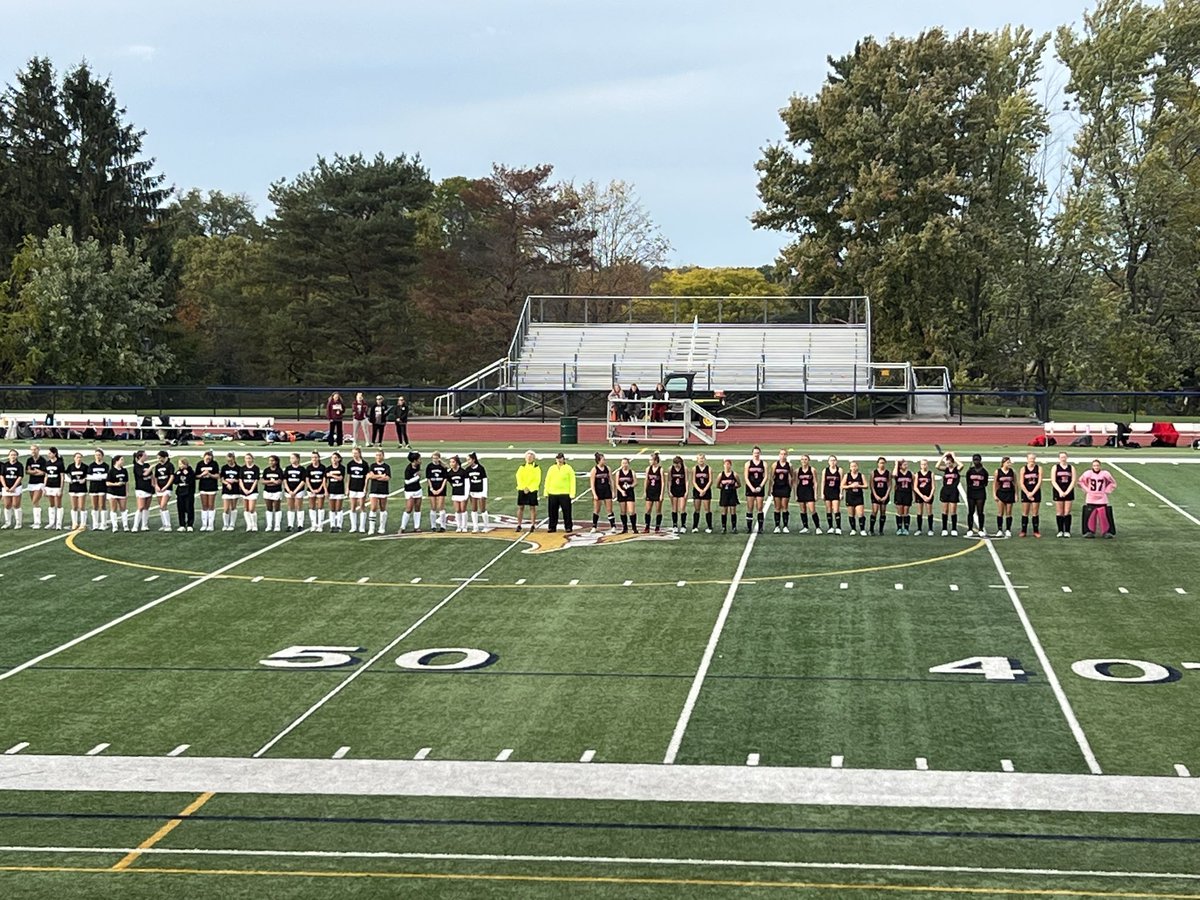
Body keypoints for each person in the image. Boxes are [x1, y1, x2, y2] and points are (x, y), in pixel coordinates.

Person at [1078, 459, 1117, 538]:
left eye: (1097, 465)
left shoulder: (1105, 474)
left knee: (1103, 515)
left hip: (1102, 498)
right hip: (1091, 497)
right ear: (1092, 466)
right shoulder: (1088, 473)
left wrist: (1106, 491)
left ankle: (1106, 532)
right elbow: (1080, 482)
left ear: (1100, 466)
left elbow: (1113, 483)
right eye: (1094, 465)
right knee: (1090, 515)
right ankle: (1089, 531)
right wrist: (1087, 490)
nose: (1096, 467)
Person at [545, 451, 576, 533]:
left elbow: (572, 481)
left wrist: (572, 493)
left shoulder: (568, 468)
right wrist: (546, 492)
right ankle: (552, 527)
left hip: (564, 493)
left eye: (560, 458)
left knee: (567, 512)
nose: (559, 460)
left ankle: (568, 527)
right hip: (553, 493)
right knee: (552, 512)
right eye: (558, 458)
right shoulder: (552, 468)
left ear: (563, 459)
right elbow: (547, 480)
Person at [1052, 451, 1077, 538]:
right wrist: (1060, 491)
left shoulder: (1071, 467)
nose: (1063, 459)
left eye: (1064, 457)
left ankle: (1067, 531)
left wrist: (1067, 491)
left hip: (1068, 491)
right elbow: (1053, 481)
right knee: (1059, 512)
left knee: (1067, 512)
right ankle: (1060, 531)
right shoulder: (1055, 467)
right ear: (1059, 458)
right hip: (1058, 491)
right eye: (1061, 457)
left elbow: (1073, 480)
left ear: (1067, 458)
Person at [936, 452, 962, 536]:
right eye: (946, 463)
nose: (948, 464)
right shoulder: (945, 469)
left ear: (952, 462)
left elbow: (961, 465)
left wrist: (954, 456)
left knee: (953, 511)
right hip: (945, 490)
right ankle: (944, 529)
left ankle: (954, 529)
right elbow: (937, 466)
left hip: (953, 491)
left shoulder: (956, 469)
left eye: (949, 463)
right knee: (945, 511)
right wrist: (943, 456)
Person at [964, 453, 989, 538]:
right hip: (971, 493)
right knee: (971, 511)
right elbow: (968, 482)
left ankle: (981, 529)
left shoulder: (984, 472)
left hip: (980, 493)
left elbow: (985, 483)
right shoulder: (970, 471)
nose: (976, 462)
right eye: (974, 460)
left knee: (980, 511)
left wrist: (978, 486)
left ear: (980, 460)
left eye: (977, 460)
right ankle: (970, 529)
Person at [515, 451, 541, 531]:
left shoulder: (536, 468)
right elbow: (519, 478)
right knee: (521, 507)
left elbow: (537, 479)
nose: (529, 458)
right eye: (528, 457)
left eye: (531, 457)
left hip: (532, 490)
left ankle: (533, 525)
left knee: (532, 507)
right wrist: (524, 487)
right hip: (522, 489)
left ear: (534, 458)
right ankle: (519, 525)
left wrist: (529, 488)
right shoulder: (522, 467)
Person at [1019, 453, 1043, 538]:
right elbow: (1021, 482)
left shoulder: (1039, 468)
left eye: (1033, 458)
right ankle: (1023, 530)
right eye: (1030, 458)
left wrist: (1032, 493)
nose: (1032, 460)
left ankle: (1036, 531)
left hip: (1035, 492)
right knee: (1025, 512)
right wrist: (1027, 493)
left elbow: (1039, 482)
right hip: (1026, 492)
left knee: (1035, 512)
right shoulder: (1023, 469)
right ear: (1027, 459)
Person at [589, 452, 615, 532]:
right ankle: (594, 526)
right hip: (598, 491)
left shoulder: (608, 468)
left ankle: (613, 526)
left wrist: (613, 491)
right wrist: (594, 494)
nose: (605, 461)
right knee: (597, 509)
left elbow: (611, 480)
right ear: (599, 460)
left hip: (607, 490)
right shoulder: (594, 470)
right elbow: (592, 483)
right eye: (603, 459)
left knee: (609, 509)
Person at [367, 449, 391, 534]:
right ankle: (371, 528)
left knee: (383, 508)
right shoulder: (372, 466)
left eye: (380, 455)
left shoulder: (386, 466)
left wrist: (376, 476)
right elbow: (370, 476)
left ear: (383, 456)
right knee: (373, 508)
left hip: (383, 489)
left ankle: (382, 527)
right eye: (377, 455)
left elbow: (387, 478)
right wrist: (381, 476)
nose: (378, 457)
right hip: (374, 489)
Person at [346, 447, 369, 534]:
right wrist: (347, 488)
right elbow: (349, 477)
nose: (354, 455)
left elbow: (366, 477)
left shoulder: (364, 464)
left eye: (356, 453)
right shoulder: (350, 464)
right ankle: (353, 526)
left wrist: (365, 488)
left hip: (361, 488)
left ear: (359, 454)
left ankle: (362, 527)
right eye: (353, 453)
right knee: (352, 507)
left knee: (362, 506)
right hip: (352, 488)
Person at [744, 446, 766, 533]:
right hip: (750, 488)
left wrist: (760, 486)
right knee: (750, 507)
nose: (756, 454)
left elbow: (765, 477)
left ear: (760, 453)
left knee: (760, 507)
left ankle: (760, 528)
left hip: (759, 487)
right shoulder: (748, 464)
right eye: (755, 453)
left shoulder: (764, 464)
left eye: (757, 453)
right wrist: (752, 488)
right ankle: (749, 528)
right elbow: (746, 477)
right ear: (752, 453)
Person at [196, 450, 220, 532]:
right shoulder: (200, 464)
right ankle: (204, 524)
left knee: (210, 505)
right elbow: (196, 476)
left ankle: (210, 524)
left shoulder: (214, 464)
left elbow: (217, 476)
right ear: (204, 457)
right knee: (204, 505)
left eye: (209, 459)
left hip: (212, 487)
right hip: (203, 487)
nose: (208, 460)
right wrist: (202, 475)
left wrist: (210, 474)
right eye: (207, 458)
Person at [426, 451, 449, 532]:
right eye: (433, 458)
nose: (435, 459)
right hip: (432, 488)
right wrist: (432, 489)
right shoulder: (429, 466)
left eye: (436, 458)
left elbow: (445, 479)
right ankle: (433, 526)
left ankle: (443, 526)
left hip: (441, 488)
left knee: (440, 507)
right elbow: (428, 479)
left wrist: (441, 489)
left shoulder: (442, 467)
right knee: (433, 507)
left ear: (439, 458)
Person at [465, 451, 489, 532]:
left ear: (473, 460)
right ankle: (475, 527)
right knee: (474, 509)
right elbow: (467, 482)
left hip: (481, 491)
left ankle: (486, 526)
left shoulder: (480, 468)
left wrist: (484, 493)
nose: (468, 461)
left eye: (469, 460)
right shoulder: (467, 470)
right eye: (467, 460)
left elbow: (484, 480)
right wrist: (467, 493)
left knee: (482, 509)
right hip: (472, 492)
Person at [283, 452, 307, 533]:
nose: (291, 460)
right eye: (290, 458)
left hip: (298, 490)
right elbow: (285, 480)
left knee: (299, 507)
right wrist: (289, 490)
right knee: (290, 507)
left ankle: (300, 525)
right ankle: (290, 525)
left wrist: (295, 491)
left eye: (293, 458)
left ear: (298, 459)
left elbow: (303, 481)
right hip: (289, 491)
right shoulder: (288, 468)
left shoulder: (302, 469)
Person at [152, 450, 175, 532]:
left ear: (164, 457)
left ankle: (168, 525)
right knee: (161, 507)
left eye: (160, 458)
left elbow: (171, 477)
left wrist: (166, 486)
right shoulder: (158, 466)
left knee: (163, 505)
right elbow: (155, 477)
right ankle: (164, 524)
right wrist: (156, 486)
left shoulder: (170, 465)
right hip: (159, 488)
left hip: (166, 489)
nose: (159, 459)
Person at [87, 448, 110, 530]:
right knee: (94, 506)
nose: (97, 456)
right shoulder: (91, 465)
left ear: (102, 456)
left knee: (102, 505)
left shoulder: (106, 466)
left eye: (99, 455)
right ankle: (95, 524)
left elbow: (107, 476)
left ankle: (103, 524)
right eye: (96, 455)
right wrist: (100, 477)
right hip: (93, 488)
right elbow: (88, 476)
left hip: (102, 487)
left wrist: (96, 477)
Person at [993, 456, 1016, 538]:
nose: (1009, 464)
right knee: (1000, 512)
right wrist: (994, 494)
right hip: (1001, 493)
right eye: (1008, 462)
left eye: (1010, 462)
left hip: (1010, 493)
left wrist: (1016, 494)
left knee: (1009, 512)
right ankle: (999, 530)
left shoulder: (1012, 472)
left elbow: (1015, 483)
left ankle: (1008, 529)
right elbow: (995, 484)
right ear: (1003, 463)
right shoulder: (998, 472)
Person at [794, 454, 817, 534]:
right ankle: (805, 527)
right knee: (803, 510)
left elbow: (815, 482)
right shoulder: (797, 471)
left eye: (806, 459)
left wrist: (815, 494)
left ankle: (817, 527)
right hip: (801, 491)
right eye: (802, 459)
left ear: (808, 460)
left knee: (812, 510)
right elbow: (795, 483)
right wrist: (795, 494)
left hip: (809, 491)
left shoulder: (812, 470)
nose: (804, 461)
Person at [770, 449, 792, 533]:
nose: (783, 456)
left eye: (784, 454)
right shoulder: (775, 464)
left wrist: (790, 487)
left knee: (785, 506)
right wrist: (770, 489)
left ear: (787, 455)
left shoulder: (789, 465)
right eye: (781, 454)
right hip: (777, 488)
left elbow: (792, 476)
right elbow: (772, 477)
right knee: (777, 507)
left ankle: (785, 526)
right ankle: (777, 526)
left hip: (785, 488)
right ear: (779, 455)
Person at [842, 459, 866, 535]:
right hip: (850, 496)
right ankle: (853, 529)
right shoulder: (847, 476)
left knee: (860, 513)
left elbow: (866, 485)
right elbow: (842, 485)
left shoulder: (861, 475)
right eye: (852, 466)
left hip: (858, 497)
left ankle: (862, 529)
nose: (854, 468)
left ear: (857, 467)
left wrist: (859, 486)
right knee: (851, 514)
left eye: (855, 466)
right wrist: (850, 486)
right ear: (850, 467)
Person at [305, 450, 328, 532]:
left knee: (320, 507)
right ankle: (313, 524)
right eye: (312, 457)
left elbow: (324, 480)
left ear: (318, 458)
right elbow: (307, 480)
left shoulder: (323, 467)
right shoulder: (309, 468)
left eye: (315, 457)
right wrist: (311, 489)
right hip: (311, 489)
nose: (314, 459)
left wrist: (320, 488)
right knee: (312, 507)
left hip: (320, 489)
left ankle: (320, 525)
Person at [42, 447, 64, 530]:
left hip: (56, 486)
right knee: (51, 504)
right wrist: (44, 487)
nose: (48, 454)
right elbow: (46, 476)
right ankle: (51, 522)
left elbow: (62, 477)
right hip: (49, 486)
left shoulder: (60, 463)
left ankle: (58, 523)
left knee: (58, 504)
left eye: (50, 453)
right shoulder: (47, 463)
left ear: (54, 453)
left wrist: (61, 489)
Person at [400, 450, 422, 533]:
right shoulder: (408, 469)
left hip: (418, 489)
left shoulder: (418, 466)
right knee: (409, 509)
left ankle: (417, 527)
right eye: (419, 459)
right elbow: (407, 481)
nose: (420, 460)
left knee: (417, 508)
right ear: (415, 460)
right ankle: (402, 527)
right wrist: (417, 477)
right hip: (409, 491)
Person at [133, 449, 155, 532]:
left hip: (149, 488)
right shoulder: (136, 466)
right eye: (145, 455)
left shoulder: (146, 465)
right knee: (141, 507)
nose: (146, 456)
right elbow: (144, 474)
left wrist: (154, 485)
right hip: (141, 489)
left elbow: (151, 476)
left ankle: (144, 525)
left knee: (146, 507)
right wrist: (151, 468)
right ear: (140, 457)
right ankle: (135, 526)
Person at [1, 449, 23, 529]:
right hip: (6, 487)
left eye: (14, 455)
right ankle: (8, 522)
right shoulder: (5, 465)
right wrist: (5, 486)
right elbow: (1, 476)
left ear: (17, 456)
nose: (13, 456)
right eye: (11, 455)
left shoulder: (19, 465)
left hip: (16, 487)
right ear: (8, 456)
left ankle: (18, 523)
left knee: (16, 504)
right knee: (7, 505)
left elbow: (20, 476)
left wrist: (14, 487)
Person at [869, 457, 891, 536]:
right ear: (878, 464)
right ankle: (871, 529)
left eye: (883, 463)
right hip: (876, 494)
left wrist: (886, 496)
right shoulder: (874, 473)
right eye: (880, 463)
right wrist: (875, 495)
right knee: (874, 511)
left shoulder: (887, 473)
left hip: (884, 494)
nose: (882, 464)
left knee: (883, 512)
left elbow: (889, 485)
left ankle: (881, 530)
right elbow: (872, 485)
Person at [691, 452, 713, 533]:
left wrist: (704, 490)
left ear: (705, 459)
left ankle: (709, 526)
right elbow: (693, 481)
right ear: (697, 460)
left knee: (707, 509)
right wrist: (700, 490)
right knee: (697, 509)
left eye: (702, 458)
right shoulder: (694, 469)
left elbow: (710, 481)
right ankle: (695, 526)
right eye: (700, 459)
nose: (701, 460)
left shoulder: (709, 468)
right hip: (697, 491)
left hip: (706, 490)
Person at [717, 459, 741, 533]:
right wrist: (724, 488)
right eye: (726, 464)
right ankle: (724, 527)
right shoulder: (721, 475)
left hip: (732, 494)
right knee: (724, 510)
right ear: (723, 465)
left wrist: (733, 488)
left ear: (731, 465)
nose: (727, 466)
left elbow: (739, 484)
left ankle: (734, 527)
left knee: (733, 510)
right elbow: (717, 485)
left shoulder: (734, 474)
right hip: (724, 494)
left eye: (728, 464)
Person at [262, 454, 284, 532]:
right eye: (270, 461)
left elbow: (279, 482)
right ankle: (269, 525)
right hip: (267, 491)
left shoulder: (279, 471)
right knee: (269, 508)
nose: (271, 462)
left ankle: (277, 525)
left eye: (272, 461)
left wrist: (270, 482)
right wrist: (272, 482)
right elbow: (263, 481)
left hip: (276, 491)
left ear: (276, 461)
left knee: (277, 508)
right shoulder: (266, 470)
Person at [447, 455, 469, 531]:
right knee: (457, 510)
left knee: (463, 509)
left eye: (453, 462)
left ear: (457, 463)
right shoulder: (449, 473)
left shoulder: (463, 472)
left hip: (463, 493)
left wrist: (466, 494)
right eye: (450, 462)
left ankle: (464, 526)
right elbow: (450, 481)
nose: (451, 464)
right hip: (455, 493)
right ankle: (459, 526)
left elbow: (467, 483)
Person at [821, 455, 843, 535]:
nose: (832, 462)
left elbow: (841, 482)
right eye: (831, 460)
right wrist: (822, 493)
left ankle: (838, 527)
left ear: (836, 461)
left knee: (836, 509)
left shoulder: (839, 470)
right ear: (828, 462)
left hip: (836, 492)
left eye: (834, 460)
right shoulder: (825, 470)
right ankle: (830, 527)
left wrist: (841, 493)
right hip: (827, 491)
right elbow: (823, 482)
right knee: (828, 509)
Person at [643, 452, 664, 533]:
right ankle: (647, 526)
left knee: (658, 510)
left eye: (651, 460)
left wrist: (661, 494)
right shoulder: (648, 469)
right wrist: (645, 492)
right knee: (648, 509)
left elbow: (663, 482)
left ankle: (657, 527)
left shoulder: (660, 469)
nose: (650, 461)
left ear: (655, 461)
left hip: (657, 491)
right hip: (650, 491)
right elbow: (646, 480)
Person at [239, 453, 260, 532]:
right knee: (246, 508)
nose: (248, 460)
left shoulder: (256, 468)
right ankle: (249, 525)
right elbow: (240, 480)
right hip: (244, 491)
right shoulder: (242, 468)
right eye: (246, 458)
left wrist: (251, 490)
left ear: (252, 459)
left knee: (251, 509)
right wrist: (243, 489)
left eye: (249, 458)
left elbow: (256, 480)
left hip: (253, 491)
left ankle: (254, 525)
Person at [66, 451, 88, 530]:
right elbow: (66, 474)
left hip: (82, 489)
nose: (79, 459)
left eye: (80, 457)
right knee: (74, 507)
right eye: (77, 457)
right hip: (73, 488)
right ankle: (74, 523)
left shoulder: (85, 467)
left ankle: (83, 523)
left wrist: (84, 479)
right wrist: (69, 480)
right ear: (74, 458)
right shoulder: (71, 466)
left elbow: (88, 475)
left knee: (81, 506)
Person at [615, 457, 637, 533]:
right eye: (623, 463)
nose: (624, 465)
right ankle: (625, 528)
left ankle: (634, 527)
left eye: (626, 463)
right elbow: (617, 484)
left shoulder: (632, 472)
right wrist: (621, 491)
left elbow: (635, 482)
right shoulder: (618, 473)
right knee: (623, 511)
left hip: (630, 493)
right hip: (621, 493)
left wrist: (630, 486)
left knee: (631, 511)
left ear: (628, 464)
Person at [25, 444, 44, 529]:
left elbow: (43, 473)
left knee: (35, 501)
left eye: (34, 449)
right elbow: (27, 471)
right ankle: (36, 521)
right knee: (34, 503)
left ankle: (38, 522)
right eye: (32, 449)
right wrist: (35, 472)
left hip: (40, 483)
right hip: (31, 483)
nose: (33, 451)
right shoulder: (29, 460)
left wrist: (34, 472)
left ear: (38, 450)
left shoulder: (42, 460)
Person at [893, 459, 914, 535]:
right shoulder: (897, 472)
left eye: (906, 464)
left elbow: (913, 485)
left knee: (906, 511)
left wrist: (914, 495)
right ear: (900, 466)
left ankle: (906, 528)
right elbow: (894, 475)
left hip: (908, 493)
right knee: (899, 511)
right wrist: (896, 464)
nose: (906, 466)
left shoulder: (910, 473)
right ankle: (899, 528)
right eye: (904, 464)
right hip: (899, 493)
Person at [668, 455, 688, 534]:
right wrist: (669, 491)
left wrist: (686, 491)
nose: (676, 465)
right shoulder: (671, 469)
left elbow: (686, 480)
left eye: (678, 463)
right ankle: (675, 525)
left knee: (682, 508)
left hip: (682, 490)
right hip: (674, 490)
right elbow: (669, 480)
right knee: (674, 508)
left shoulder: (684, 468)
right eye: (675, 463)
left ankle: (683, 525)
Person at [327, 451, 346, 532]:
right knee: (332, 508)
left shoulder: (342, 468)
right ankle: (332, 525)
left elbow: (340, 478)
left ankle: (339, 525)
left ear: (339, 459)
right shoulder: (328, 468)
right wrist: (326, 490)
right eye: (332, 458)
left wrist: (331, 475)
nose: (334, 459)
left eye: (335, 458)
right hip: (331, 489)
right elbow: (325, 479)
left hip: (339, 490)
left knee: (338, 508)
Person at [915, 459, 935, 536]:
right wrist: (922, 496)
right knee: (919, 512)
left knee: (929, 512)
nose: (924, 466)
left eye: (925, 464)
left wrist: (930, 496)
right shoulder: (917, 474)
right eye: (922, 464)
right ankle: (919, 529)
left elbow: (933, 487)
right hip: (920, 495)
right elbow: (915, 487)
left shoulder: (931, 474)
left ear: (927, 465)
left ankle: (930, 529)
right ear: (920, 465)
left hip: (928, 494)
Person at [175, 456, 195, 532]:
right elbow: (175, 481)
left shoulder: (190, 471)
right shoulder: (178, 472)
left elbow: (191, 481)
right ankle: (182, 525)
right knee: (180, 509)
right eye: (179, 464)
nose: (180, 465)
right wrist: (178, 475)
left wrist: (187, 475)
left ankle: (190, 524)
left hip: (188, 492)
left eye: (181, 464)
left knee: (189, 508)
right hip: (180, 492)